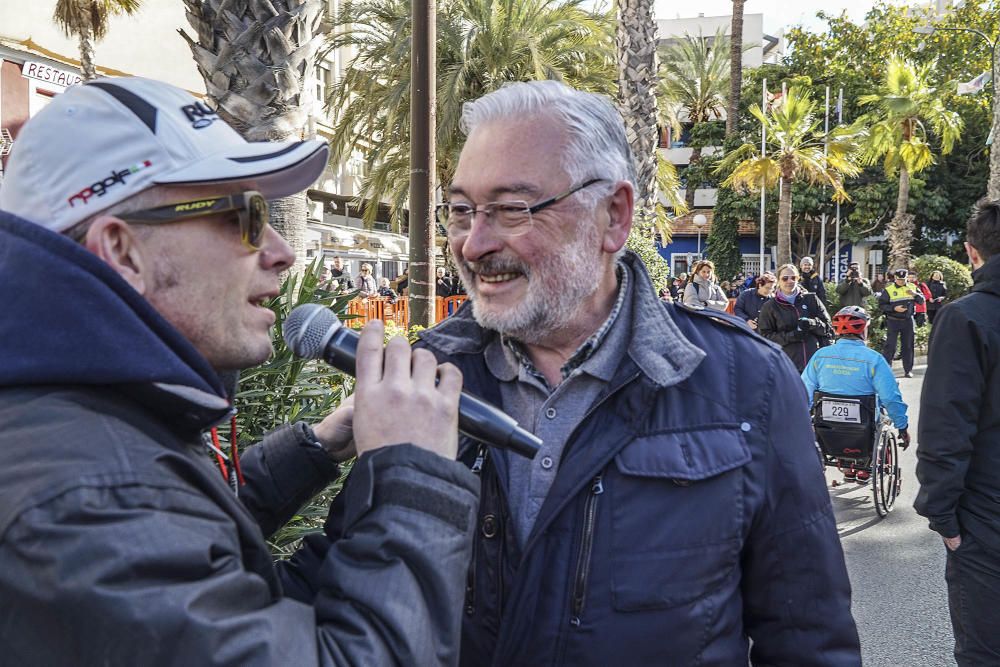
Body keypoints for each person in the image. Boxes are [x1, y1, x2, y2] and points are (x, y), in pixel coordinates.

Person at [0, 77, 479, 665]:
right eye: (246, 217)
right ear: (123, 253)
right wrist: (416, 478)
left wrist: (316, 448)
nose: (282, 251)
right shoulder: (85, 501)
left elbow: (211, 576)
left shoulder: (80, 419)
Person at [419, 79, 859, 665]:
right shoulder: (426, 374)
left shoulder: (746, 383)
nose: (473, 244)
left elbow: (808, 636)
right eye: (461, 211)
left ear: (613, 217)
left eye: (511, 210)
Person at [915, 199, 1000, 666]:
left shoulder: (967, 317)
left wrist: (943, 517)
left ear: (971, 253)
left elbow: (946, 428)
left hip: (987, 518)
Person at [802, 306, 910, 485]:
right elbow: (890, 398)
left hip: (826, 426)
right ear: (864, 330)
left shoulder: (820, 356)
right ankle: (861, 466)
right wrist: (902, 426)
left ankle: (845, 465)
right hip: (863, 426)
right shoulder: (874, 359)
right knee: (880, 419)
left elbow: (803, 391)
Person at [758, 263, 834, 372]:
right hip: (786, 366)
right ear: (778, 281)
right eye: (785, 278)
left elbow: (829, 329)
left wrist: (812, 323)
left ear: (798, 279)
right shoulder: (770, 306)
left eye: (793, 278)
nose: (790, 281)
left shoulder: (811, 299)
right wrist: (792, 336)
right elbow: (765, 337)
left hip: (815, 364)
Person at [878, 267, 924, 378]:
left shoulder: (913, 287)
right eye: (899, 279)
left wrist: (914, 294)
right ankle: (886, 369)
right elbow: (882, 305)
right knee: (890, 346)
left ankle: (908, 370)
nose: (902, 282)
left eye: (903, 279)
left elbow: (921, 301)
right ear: (895, 278)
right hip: (893, 321)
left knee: (908, 346)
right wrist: (894, 308)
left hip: (908, 321)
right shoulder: (889, 289)